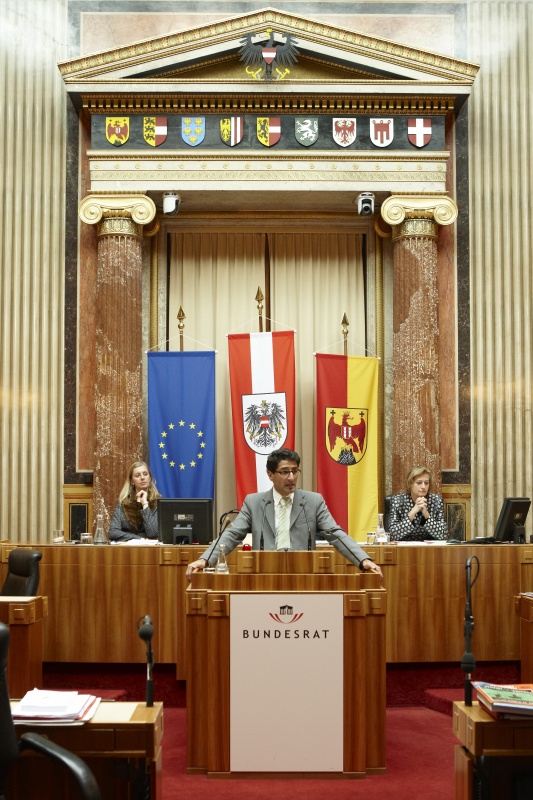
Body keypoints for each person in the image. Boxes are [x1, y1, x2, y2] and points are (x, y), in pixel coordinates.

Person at [186, 448, 382, 578]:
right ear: (270, 475)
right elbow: (231, 534)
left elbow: (335, 533)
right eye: (285, 472)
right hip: (264, 575)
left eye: (295, 471)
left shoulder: (313, 502)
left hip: (304, 575)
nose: (291, 477)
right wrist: (205, 559)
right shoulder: (254, 503)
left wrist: (363, 559)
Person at [388, 466, 448, 541]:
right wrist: (413, 512)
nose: (423, 486)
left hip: (430, 549)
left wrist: (426, 514)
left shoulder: (436, 501)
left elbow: (444, 535)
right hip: (404, 548)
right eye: (419, 483)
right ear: (410, 484)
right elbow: (392, 535)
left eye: (426, 483)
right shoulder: (398, 501)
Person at [108, 460, 162, 542]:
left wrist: (145, 504)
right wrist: (139, 539)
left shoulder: (158, 501)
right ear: (132, 481)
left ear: (150, 478)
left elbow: (153, 533)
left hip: (151, 549)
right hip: (128, 548)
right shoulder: (124, 502)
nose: (142, 477)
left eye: (145, 474)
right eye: (137, 475)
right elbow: (113, 532)